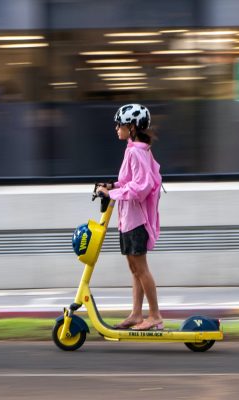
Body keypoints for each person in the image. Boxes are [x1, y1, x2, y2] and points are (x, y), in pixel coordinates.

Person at [95, 103, 163, 331]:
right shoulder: (132, 148)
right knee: (134, 269)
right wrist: (111, 185)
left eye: (120, 124)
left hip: (136, 220)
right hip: (128, 219)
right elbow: (127, 181)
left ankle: (154, 316)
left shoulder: (137, 151)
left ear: (132, 127)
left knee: (141, 269)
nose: (116, 128)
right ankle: (136, 314)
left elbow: (142, 186)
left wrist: (112, 193)